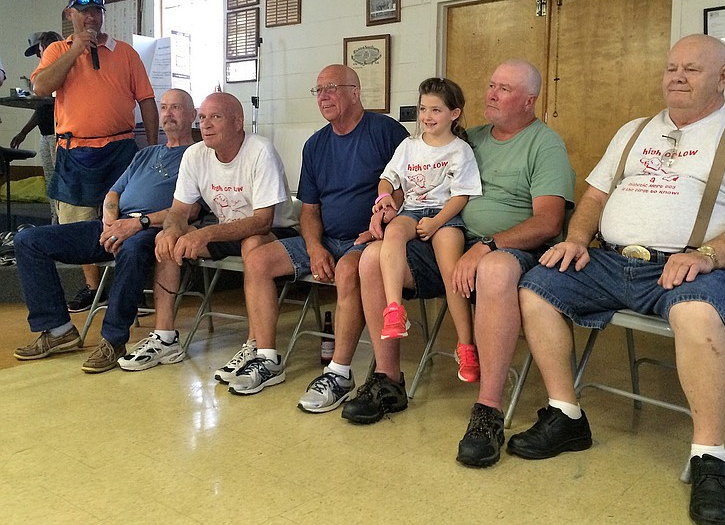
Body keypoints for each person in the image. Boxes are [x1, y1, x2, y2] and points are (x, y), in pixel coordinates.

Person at [513, 34, 725, 525]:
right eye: (671, 68)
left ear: (723, 77)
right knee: (538, 284)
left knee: (695, 311)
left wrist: (708, 254)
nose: (677, 77)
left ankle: (710, 457)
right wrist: (577, 239)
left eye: (691, 69)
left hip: (697, 266)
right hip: (613, 260)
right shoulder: (635, 130)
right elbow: (595, 197)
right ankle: (566, 415)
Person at [343, 59, 575, 426]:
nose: (492, 94)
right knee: (370, 258)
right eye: (491, 85)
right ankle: (387, 380)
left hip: (506, 252)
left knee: (494, 270)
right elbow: (423, 184)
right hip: (448, 242)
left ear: (529, 101)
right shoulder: (471, 137)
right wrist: (385, 211)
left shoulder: (544, 145)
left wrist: (486, 246)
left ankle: (488, 408)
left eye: (504, 89)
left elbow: (549, 222)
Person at [220, 64, 408, 402]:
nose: (323, 96)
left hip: (367, 240)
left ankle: (338, 373)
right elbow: (309, 210)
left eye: (331, 88)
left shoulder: (385, 131)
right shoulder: (315, 145)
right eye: (318, 90)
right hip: (325, 240)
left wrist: (381, 224)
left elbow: (406, 188)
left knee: (349, 270)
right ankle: (266, 358)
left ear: (355, 91)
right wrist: (314, 247)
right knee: (259, 260)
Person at [13, 89, 197, 373]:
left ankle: (113, 340)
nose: (168, 114)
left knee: (133, 249)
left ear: (192, 115)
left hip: (152, 229)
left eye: (176, 108)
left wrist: (136, 224)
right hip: (115, 225)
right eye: (164, 108)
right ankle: (58, 330)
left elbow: (189, 211)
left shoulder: (198, 157)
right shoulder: (146, 154)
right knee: (28, 240)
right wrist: (111, 222)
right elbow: (113, 193)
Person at [31, 0, 159, 314]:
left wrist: (153, 149)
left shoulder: (125, 52)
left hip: (121, 149)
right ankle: (92, 287)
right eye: (84, 11)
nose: (91, 17)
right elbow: (42, 87)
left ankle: (128, 284)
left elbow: (146, 100)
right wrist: (75, 51)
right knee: (79, 220)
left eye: (97, 11)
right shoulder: (58, 50)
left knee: (126, 217)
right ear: (69, 14)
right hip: (75, 151)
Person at [151, 91, 298, 370]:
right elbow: (178, 211)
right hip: (227, 231)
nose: (205, 125)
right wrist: (172, 230)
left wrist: (204, 234)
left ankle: (256, 346)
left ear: (238, 122)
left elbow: (262, 221)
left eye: (215, 117)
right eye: (203, 117)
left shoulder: (260, 150)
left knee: (253, 243)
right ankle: (165, 337)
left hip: (279, 233)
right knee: (165, 240)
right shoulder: (194, 154)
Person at [372, 77, 482, 382]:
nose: (427, 117)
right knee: (393, 234)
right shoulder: (409, 146)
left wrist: (436, 222)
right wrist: (383, 199)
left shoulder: (460, 151)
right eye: (423, 109)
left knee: (451, 272)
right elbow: (388, 178)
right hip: (411, 211)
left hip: (445, 216)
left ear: (454, 114)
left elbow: (461, 195)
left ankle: (466, 345)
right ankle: (394, 309)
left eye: (436, 110)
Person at [10, 31, 64, 223]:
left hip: (61, 135)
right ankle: (53, 221)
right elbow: (42, 109)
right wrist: (23, 131)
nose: (38, 55)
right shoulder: (43, 72)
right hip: (46, 133)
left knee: (60, 183)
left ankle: (61, 224)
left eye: (39, 50)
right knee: (50, 183)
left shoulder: (60, 67)